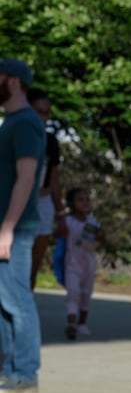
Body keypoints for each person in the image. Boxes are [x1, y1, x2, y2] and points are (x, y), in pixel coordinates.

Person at [0, 57, 44, 393]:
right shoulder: (11, 122)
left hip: (15, 228)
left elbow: (27, 178)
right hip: (7, 226)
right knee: (4, 302)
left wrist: (8, 228)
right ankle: (8, 368)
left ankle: (25, 372)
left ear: (12, 81)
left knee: (17, 300)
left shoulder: (26, 122)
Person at [25, 88, 62, 290]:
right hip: (18, 202)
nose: (43, 117)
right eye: (38, 111)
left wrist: (61, 212)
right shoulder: (14, 134)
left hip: (42, 202)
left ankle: (24, 309)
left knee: (33, 263)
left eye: (46, 112)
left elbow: (54, 178)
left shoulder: (50, 141)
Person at [62, 186, 105, 340]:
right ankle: (71, 323)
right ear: (72, 203)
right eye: (80, 200)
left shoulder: (93, 221)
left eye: (87, 199)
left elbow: (102, 238)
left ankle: (82, 323)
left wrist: (98, 235)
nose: (85, 203)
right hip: (72, 263)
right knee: (73, 292)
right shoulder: (67, 221)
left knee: (86, 293)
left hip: (89, 262)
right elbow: (60, 235)